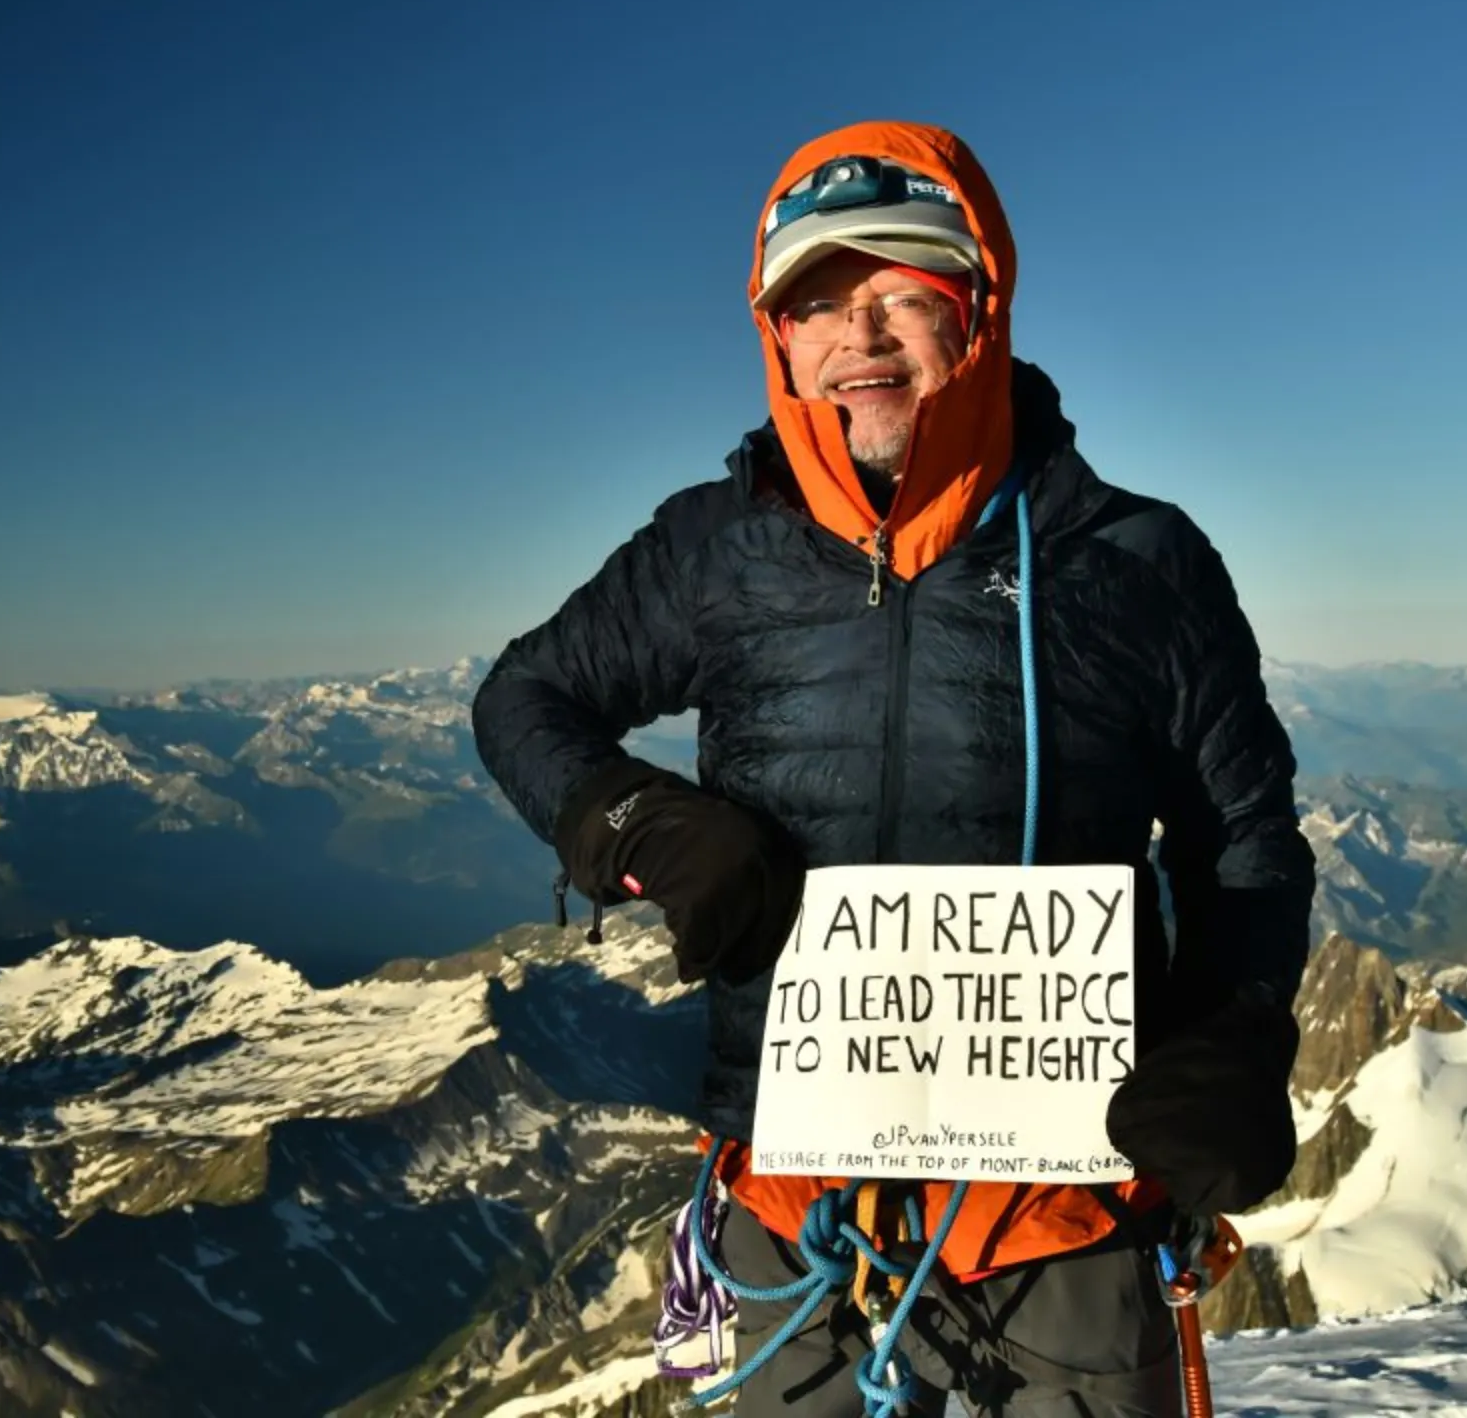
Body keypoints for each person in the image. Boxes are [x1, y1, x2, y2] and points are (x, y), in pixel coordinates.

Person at [470, 121, 1316, 1415]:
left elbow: (1241, 843)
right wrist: (639, 820)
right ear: (777, 340)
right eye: (815, 302)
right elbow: (528, 698)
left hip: (1065, 1225)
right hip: (795, 1225)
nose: (855, 336)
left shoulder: (1138, 565)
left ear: (977, 308)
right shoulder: (718, 551)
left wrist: (1236, 1041)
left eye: (898, 292)